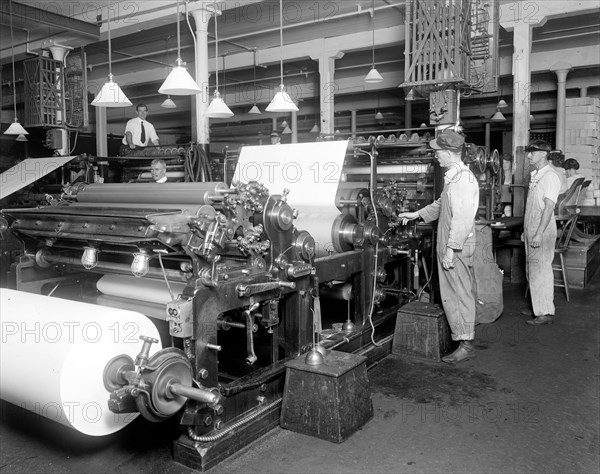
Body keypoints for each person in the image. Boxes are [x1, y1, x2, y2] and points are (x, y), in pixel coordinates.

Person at [398, 129, 480, 363]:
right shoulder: (454, 177)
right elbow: (440, 204)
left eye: (438, 152)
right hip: (450, 242)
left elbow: (462, 219)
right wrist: (416, 214)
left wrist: (451, 250)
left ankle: (467, 343)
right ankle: (460, 336)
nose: (435, 156)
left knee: (460, 293)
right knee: (451, 293)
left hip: (457, 245)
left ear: (450, 153)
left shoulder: (463, 180)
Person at [523, 140, 561, 326]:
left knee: (541, 270)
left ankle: (545, 311)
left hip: (542, 229)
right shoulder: (537, 175)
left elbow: (548, 208)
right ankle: (537, 305)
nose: (529, 155)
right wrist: (527, 231)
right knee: (532, 269)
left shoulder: (550, 176)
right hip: (532, 227)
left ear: (543, 154)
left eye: (532, 152)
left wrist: (538, 233)